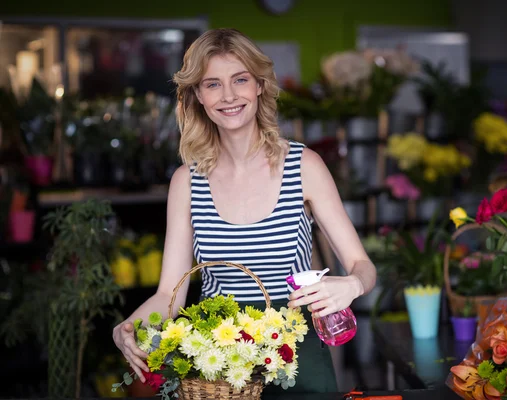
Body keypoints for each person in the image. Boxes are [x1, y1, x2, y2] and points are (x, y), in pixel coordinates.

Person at [112, 28, 377, 393]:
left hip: (296, 356)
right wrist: (127, 327)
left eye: (240, 80)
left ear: (259, 87)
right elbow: (168, 296)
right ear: (198, 96)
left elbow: (363, 266)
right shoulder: (187, 182)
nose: (229, 95)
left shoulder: (303, 166)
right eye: (213, 84)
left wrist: (352, 284)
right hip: (219, 362)